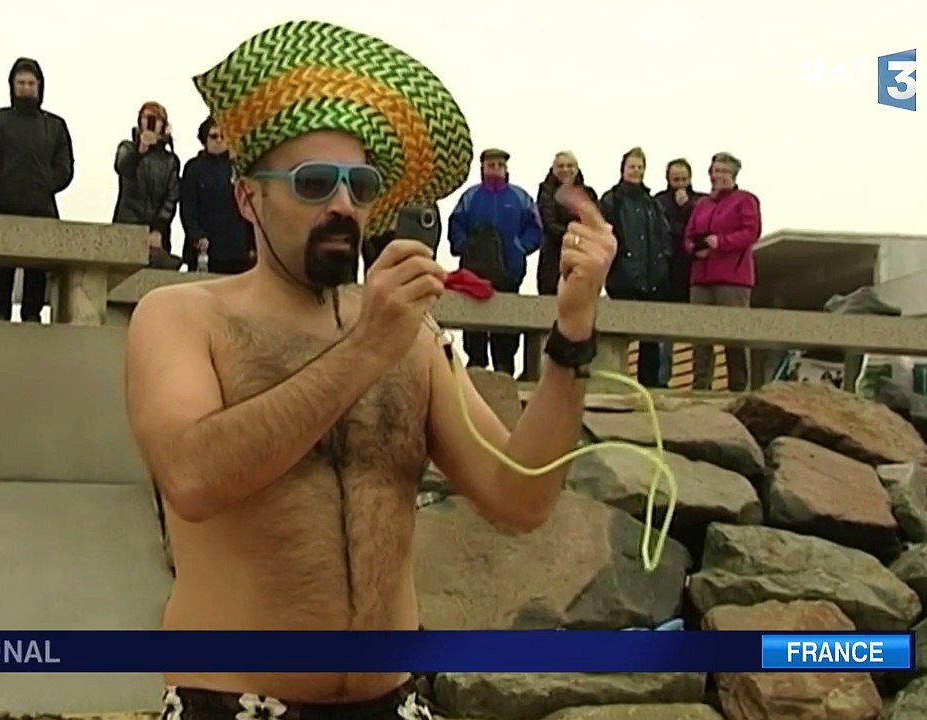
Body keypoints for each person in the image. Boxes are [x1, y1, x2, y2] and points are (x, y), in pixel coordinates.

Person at [124, 19, 615, 720]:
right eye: (314, 183)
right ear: (248, 199)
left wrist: (572, 331)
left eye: (360, 185)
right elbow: (194, 477)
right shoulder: (181, 317)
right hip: (234, 701)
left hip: (394, 701)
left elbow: (520, 497)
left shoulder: (411, 339)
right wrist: (364, 349)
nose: (343, 206)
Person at [0, 57, 74, 322]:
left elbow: (65, 165)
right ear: (12, 85)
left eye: (31, 82)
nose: (26, 87)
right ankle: (0, 314)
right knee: (3, 266)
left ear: (39, 86)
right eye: (21, 83)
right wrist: (2, 178)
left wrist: (46, 184)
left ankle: (32, 315)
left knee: (37, 267)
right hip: (3, 203)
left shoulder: (54, 125)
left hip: (42, 206)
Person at [446, 148, 542, 376]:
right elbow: (456, 224)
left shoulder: (520, 197)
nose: (496, 169)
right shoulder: (470, 197)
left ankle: (504, 367)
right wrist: (463, 245)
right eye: (491, 165)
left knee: (507, 328)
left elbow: (536, 229)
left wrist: (521, 247)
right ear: (482, 168)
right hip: (474, 272)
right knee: (474, 323)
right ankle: (476, 364)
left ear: (506, 168)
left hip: (509, 271)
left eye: (500, 165)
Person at [684, 151, 762, 391]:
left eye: (724, 171)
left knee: (734, 336)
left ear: (734, 174)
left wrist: (722, 242)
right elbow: (688, 235)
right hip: (701, 278)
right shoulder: (702, 204)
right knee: (700, 337)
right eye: (715, 171)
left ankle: (738, 387)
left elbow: (751, 232)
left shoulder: (745, 200)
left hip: (732, 279)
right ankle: (700, 385)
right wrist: (694, 248)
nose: (718, 176)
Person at [598, 147, 671, 388]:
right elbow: (603, 234)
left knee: (649, 338)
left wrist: (662, 262)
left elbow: (663, 235)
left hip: (650, 278)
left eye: (640, 167)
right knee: (618, 334)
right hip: (622, 276)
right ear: (623, 169)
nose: (636, 171)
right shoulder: (611, 200)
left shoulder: (652, 203)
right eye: (632, 166)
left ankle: (649, 384)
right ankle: (616, 381)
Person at [651, 158, 706, 385]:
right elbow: (660, 232)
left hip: (695, 275)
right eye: (676, 180)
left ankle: (701, 381)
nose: (680, 184)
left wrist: (687, 209)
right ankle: (663, 381)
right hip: (666, 276)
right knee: (664, 338)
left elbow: (697, 232)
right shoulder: (658, 202)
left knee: (699, 334)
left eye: (684, 179)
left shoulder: (701, 202)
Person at [178, 117, 253, 274]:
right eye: (213, 136)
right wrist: (196, 235)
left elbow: (250, 208)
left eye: (223, 136)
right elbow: (188, 207)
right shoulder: (194, 168)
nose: (219, 140)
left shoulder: (239, 168)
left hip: (237, 251)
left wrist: (252, 244)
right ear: (205, 139)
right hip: (206, 249)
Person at [113, 101, 180, 255]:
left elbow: (171, 197)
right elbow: (122, 168)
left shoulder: (170, 160)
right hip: (127, 224)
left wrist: (159, 229)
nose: (151, 123)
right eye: (146, 118)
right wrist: (140, 151)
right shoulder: (127, 147)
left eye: (156, 119)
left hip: (156, 230)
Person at [536, 150, 598, 296]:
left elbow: (596, 225)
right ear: (553, 170)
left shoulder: (588, 194)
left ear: (577, 169)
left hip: (582, 260)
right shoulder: (546, 192)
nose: (565, 170)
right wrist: (576, 237)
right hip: (553, 259)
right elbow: (549, 223)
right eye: (561, 166)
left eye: (569, 166)